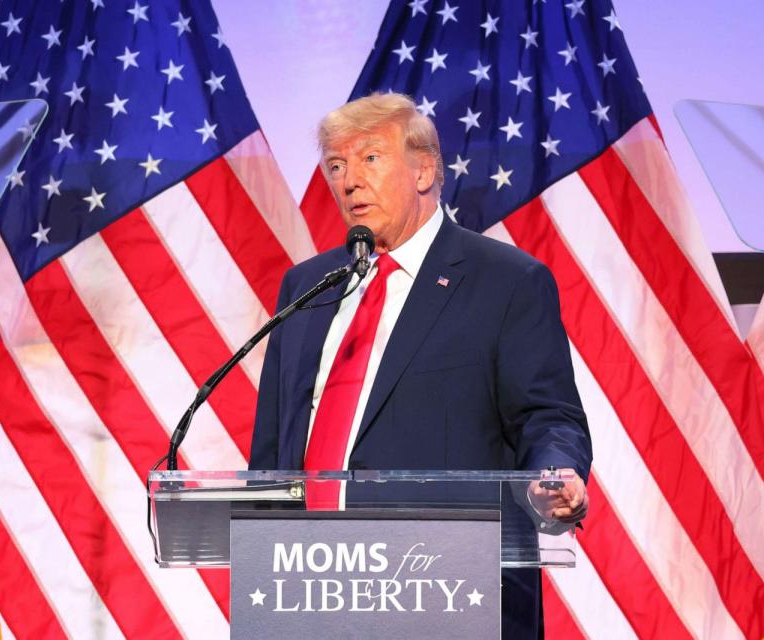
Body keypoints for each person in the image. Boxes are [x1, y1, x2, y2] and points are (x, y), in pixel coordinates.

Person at [249, 93, 592, 638]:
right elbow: (273, 446)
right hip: (308, 590)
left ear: (425, 168)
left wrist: (557, 472)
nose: (349, 181)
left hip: (447, 588)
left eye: (370, 158)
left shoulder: (504, 281)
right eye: (336, 165)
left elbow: (545, 414)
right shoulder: (307, 286)